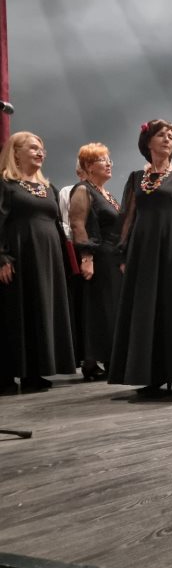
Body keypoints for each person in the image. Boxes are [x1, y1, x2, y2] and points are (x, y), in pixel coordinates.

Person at [108, 119, 172, 399]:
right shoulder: (135, 178)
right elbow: (127, 217)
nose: (167, 140)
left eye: (171, 137)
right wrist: (123, 253)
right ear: (147, 142)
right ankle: (149, 376)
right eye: (161, 135)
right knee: (145, 311)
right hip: (142, 253)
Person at [0, 131, 76, 393]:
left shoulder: (48, 188)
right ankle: (6, 374)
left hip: (48, 259)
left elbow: (57, 225)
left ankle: (34, 371)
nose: (40, 152)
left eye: (42, 148)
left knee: (40, 311)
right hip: (20, 257)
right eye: (33, 148)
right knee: (16, 313)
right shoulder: (6, 184)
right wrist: (2, 257)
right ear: (16, 152)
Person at [69, 143, 122, 380]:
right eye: (103, 160)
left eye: (109, 159)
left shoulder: (105, 193)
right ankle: (92, 362)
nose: (109, 164)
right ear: (89, 166)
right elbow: (77, 224)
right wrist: (87, 257)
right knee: (100, 309)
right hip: (99, 257)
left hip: (112, 258)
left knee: (110, 309)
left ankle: (111, 359)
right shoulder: (83, 189)